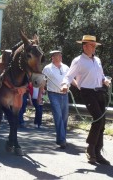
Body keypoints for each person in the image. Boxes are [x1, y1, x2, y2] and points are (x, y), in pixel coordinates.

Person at [61, 35, 111, 165]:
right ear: (84, 46)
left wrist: (104, 80)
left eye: (95, 45)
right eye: (92, 45)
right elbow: (69, 75)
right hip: (87, 93)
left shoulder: (98, 60)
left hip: (100, 92)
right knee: (98, 119)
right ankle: (90, 148)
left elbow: (101, 75)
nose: (94, 48)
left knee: (102, 122)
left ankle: (97, 152)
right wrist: (65, 85)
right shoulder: (78, 61)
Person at [42, 50, 70, 149]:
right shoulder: (47, 68)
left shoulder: (66, 67)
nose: (60, 57)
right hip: (53, 94)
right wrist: (40, 95)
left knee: (65, 117)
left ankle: (61, 138)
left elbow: (70, 78)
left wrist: (78, 85)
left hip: (65, 94)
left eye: (60, 55)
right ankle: (62, 140)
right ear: (52, 57)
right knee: (58, 116)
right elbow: (42, 81)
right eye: (57, 55)